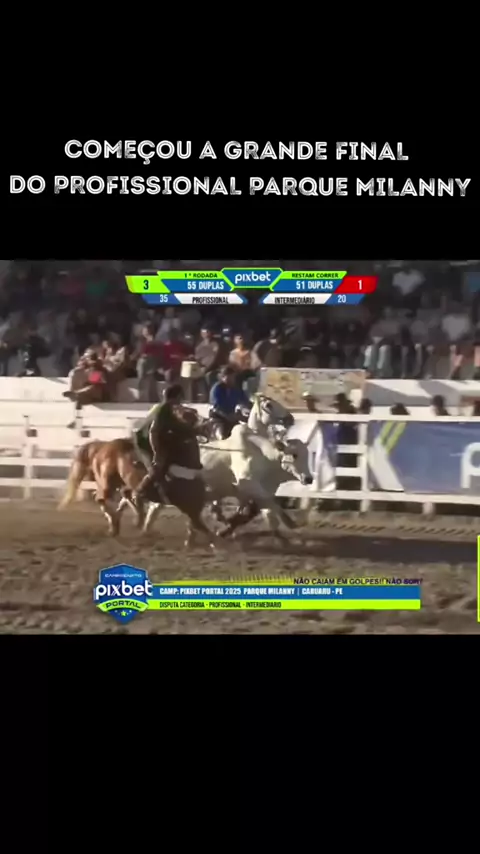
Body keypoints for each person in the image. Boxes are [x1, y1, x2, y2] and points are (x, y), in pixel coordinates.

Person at [133, 383, 202, 503]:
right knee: (158, 465)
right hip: (144, 440)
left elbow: (176, 425)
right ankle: (140, 491)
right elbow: (153, 432)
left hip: (157, 438)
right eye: (181, 397)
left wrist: (193, 430)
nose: (181, 400)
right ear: (176, 397)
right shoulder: (163, 410)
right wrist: (157, 453)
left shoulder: (169, 409)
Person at [209, 366, 251, 438]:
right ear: (222, 377)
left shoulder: (236, 389)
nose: (232, 380)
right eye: (229, 377)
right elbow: (217, 408)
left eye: (233, 377)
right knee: (222, 436)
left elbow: (245, 401)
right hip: (218, 418)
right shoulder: (217, 389)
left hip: (232, 417)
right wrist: (230, 417)